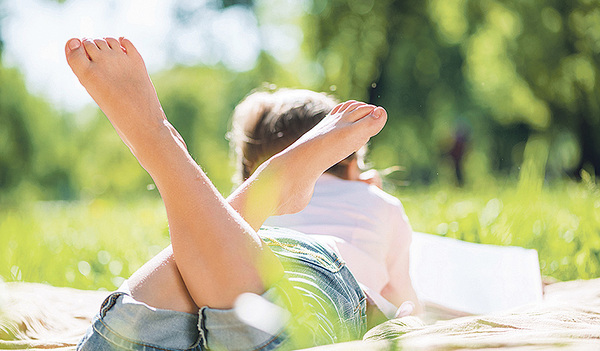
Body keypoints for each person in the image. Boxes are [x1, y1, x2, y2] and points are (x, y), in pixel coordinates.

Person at [64, 36, 388, 350]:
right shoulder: (375, 202)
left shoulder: (217, 237)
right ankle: (176, 155)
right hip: (308, 275)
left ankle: (176, 156)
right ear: (356, 174)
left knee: (120, 338)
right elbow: (404, 308)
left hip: (229, 276)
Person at [230, 89, 421, 317]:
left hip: (262, 302)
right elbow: (399, 292)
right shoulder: (382, 203)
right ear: (352, 161)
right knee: (402, 313)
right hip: (349, 298)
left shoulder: (249, 207)